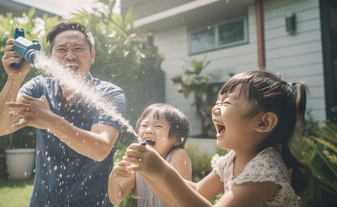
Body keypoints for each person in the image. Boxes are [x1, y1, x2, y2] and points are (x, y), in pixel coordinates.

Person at [0, 20, 126, 206]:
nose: (70, 56)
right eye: (61, 50)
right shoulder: (39, 87)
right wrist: (15, 78)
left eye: (78, 49)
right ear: (50, 57)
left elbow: (100, 149)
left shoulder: (108, 94)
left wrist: (50, 121)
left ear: (92, 56)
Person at [124, 70, 310, 206]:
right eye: (217, 102)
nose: (215, 108)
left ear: (264, 122)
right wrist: (152, 169)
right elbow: (197, 191)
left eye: (226, 102)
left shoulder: (264, 172)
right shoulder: (231, 160)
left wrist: (163, 171)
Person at [108, 103, 192, 206]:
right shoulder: (139, 161)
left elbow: (172, 199)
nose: (148, 130)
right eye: (144, 125)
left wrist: (141, 167)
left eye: (158, 126)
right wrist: (113, 179)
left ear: (176, 138)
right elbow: (117, 199)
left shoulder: (178, 155)